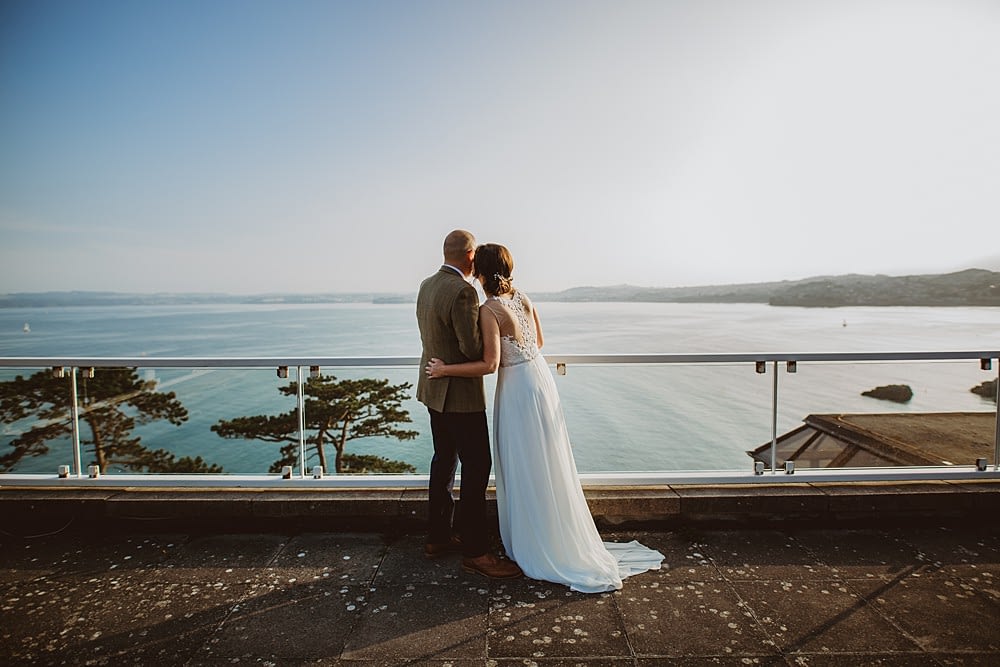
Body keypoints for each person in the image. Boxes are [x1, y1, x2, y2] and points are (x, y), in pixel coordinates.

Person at [426, 243, 664, 593]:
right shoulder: (523, 297)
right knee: (546, 461)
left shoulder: (488, 310)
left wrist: (446, 368)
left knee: (523, 463)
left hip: (517, 392)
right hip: (539, 381)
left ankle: (534, 541)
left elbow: (490, 364)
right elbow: (537, 340)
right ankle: (554, 531)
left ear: (480, 273)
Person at [416, 230, 523, 579]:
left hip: (434, 389)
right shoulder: (463, 292)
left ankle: (438, 537)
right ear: (471, 255)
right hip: (460, 397)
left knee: (443, 462)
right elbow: (472, 350)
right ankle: (476, 552)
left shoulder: (426, 284)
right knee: (477, 469)